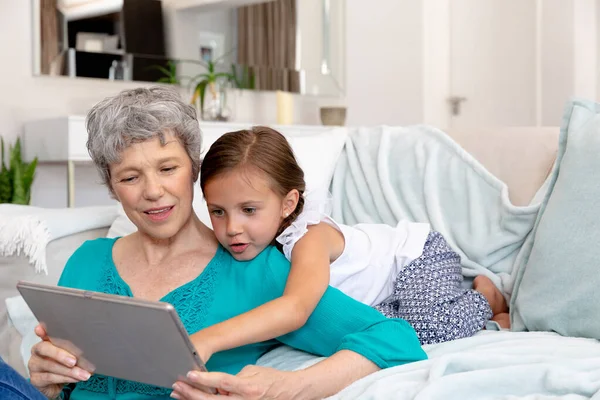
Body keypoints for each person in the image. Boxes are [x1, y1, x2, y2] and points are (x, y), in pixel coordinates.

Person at [26, 87, 427, 400]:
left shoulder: (258, 271)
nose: (153, 191)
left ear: (194, 171)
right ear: (112, 188)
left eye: (168, 168)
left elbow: (394, 340)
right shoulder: (85, 261)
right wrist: (46, 383)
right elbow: (66, 382)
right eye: (130, 178)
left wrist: (287, 389)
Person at [188, 126, 510, 363]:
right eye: (218, 212)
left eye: (249, 210)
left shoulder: (308, 237)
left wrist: (211, 338)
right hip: (375, 298)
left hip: (415, 256)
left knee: (427, 331)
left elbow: (296, 308)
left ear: (288, 204)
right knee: (367, 332)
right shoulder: (254, 244)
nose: (232, 229)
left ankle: (484, 296)